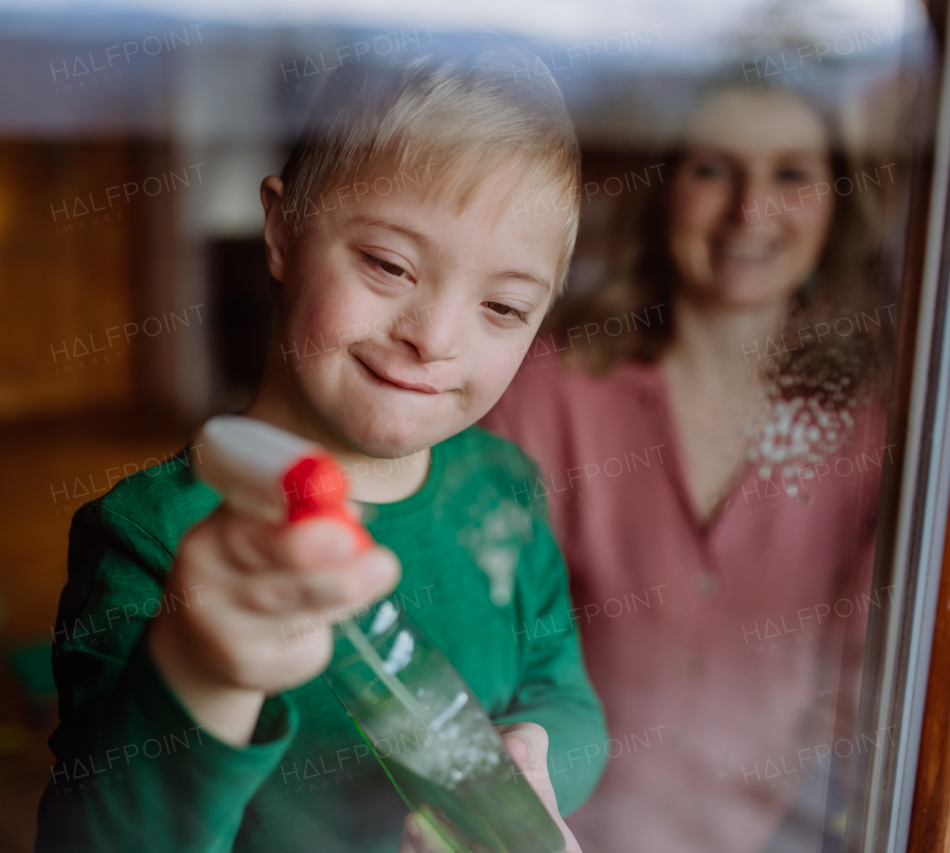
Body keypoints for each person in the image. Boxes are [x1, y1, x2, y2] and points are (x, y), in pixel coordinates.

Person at [36, 36, 606, 853]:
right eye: (387, 264)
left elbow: (568, 699)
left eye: (505, 308)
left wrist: (519, 771)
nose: (434, 337)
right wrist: (200, 674)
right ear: (280, 228)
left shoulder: (502, 483)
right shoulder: (147, 536)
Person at [482, 81, 896, 853]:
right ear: (662, 185)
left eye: (791, 174)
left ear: (839, 201)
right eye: (713, 168)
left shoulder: (871, 424)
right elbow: (471, 637)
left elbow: (881, 682)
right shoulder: (543, 388)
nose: (749, 209)